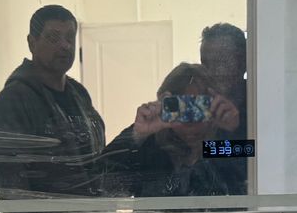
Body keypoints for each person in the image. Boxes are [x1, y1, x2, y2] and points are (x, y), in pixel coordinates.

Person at [102, 22, 251, 198]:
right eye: (185, 105)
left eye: (220, 62)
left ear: (243, 62)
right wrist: (136, 136)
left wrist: (230, 133)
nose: (211, 72)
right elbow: (100, 182)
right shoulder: (158, 142)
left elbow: (255, 169)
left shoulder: (260, 108)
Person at [0, 4, 107, 199]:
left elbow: (97, 160)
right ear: (32, 43)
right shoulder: (14, 100)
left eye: (70, 37)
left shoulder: (79, 94)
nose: (65, 46)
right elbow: (11, 184)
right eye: (53, 38)